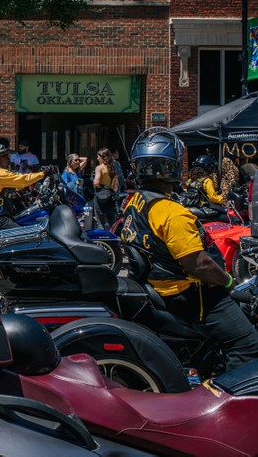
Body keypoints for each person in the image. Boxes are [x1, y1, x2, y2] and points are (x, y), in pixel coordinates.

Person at [119, 128, 258, 368]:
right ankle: (228, 390)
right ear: (173, 167)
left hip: (160, 286)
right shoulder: (173, 213)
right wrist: (228, 282)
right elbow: (200, 265)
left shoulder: (136, 202)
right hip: (192, 295)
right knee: (248, 346)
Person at [0, 144, 50, 229]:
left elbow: (16, 185)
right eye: (6, 157)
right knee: (23, 234)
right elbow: (23, 180)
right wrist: (43, 173)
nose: (9, 159)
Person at [92, 147, 119, 229]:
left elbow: (96, 182)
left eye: (98, 156)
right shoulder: (113, 168)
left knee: (100, 219)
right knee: (111, 219)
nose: (97, 158)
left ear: (103, 157)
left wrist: (96, 185)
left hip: (100, 196)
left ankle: (102, 235)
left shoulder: (99, 168)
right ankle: (112, 234)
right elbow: (116, 187)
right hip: (110, 196)